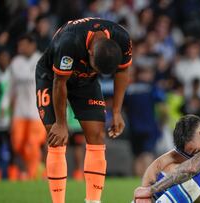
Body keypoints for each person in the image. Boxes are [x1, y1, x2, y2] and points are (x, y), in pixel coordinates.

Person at [35, 17, 132, 203]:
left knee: (96, 135)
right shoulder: (70, 42)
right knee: (56, 138)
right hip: (51, 77)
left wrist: (117, 112)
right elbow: (59, 82)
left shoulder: (123, 38)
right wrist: (61, 123)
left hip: (85, 80)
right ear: (90, 53)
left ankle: (93, 201)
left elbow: (122, 72)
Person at [1, 34, 46, 180]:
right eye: (19, 45)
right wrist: (5, 104)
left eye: (23, 45)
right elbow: (11, 86)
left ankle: (31, 174)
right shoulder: (16, 62)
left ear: (32, 45)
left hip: (37, 112)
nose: (20, 48)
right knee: (18, 144)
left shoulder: (42, 59)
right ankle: (30, 170)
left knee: (32, 144)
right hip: (20, 111)